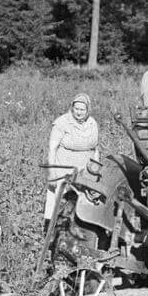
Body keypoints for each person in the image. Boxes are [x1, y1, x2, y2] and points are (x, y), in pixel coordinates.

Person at [44, 94, 100, 233]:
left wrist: (96, 168)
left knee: (83, 203)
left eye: (82, 109)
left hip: (85, 170)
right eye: (76, 109)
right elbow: (52, 148)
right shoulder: (62, 123)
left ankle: (81, 233)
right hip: (64, 169)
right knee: (59, 203)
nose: (79, 112)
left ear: (88, 110)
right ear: (72, 108)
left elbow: (96, 148)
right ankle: (52, 234)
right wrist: (52, 172)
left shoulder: (92, 123)